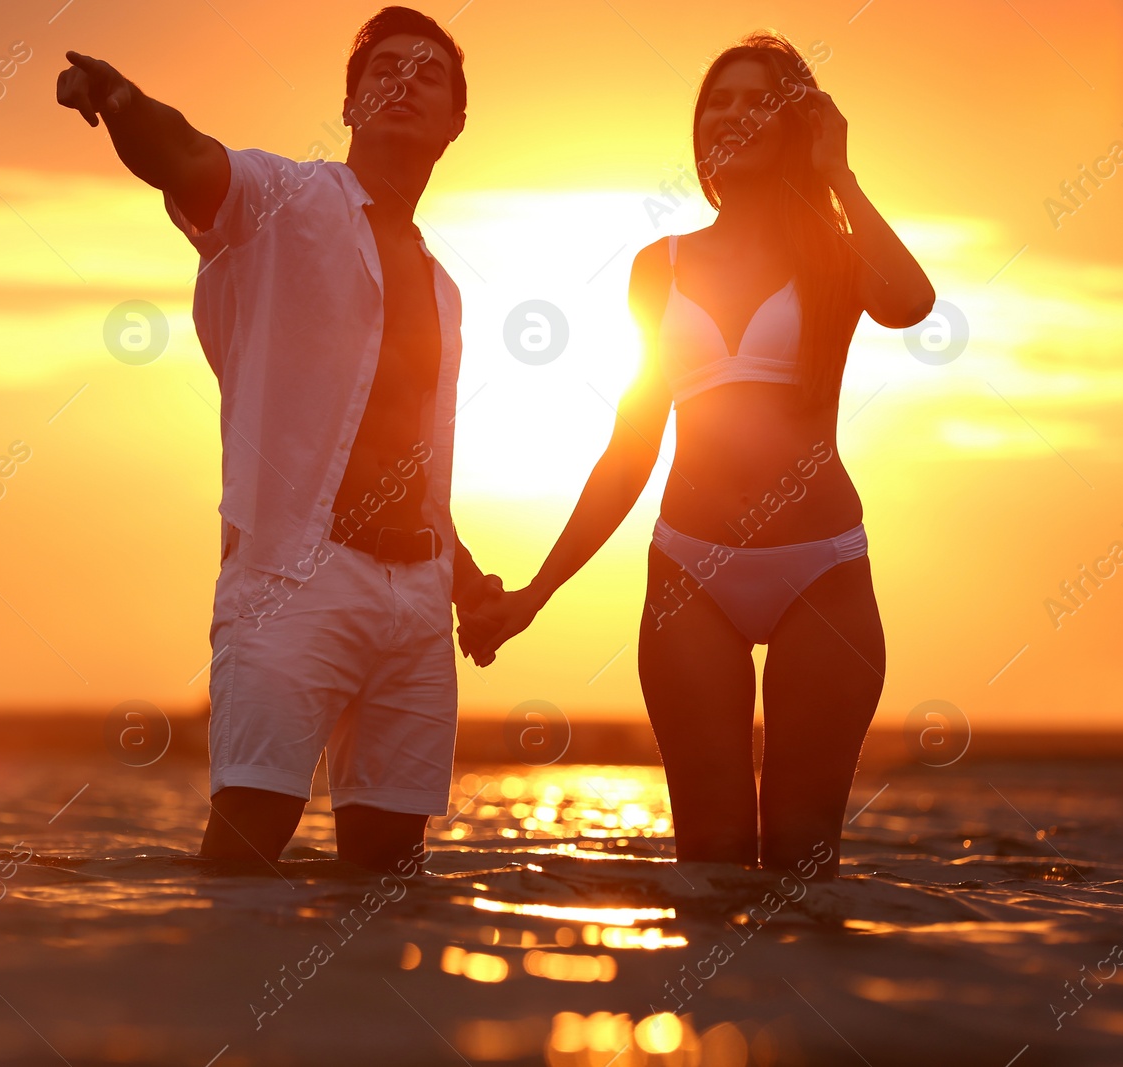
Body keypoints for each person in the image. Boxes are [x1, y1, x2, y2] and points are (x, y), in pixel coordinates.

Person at [458, 32, 934, 877]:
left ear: (798, 124)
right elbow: (632, 443)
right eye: (719, 100)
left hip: (822, 571)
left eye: (759, 100)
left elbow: (910, 301)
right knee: (709, 863)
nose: (734, 113)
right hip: (690, 574)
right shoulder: (658, 265)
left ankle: (808, 1010)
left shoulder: (833, 250)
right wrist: (537, 588)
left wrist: (839, 173)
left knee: (800, 863)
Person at [57, 7, 500, 872]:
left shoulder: (445, 289)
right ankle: (216, 1007)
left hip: (416, 604)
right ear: (347, 107)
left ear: (456, 124)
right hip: (293, 582)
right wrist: (118, 98)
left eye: (428, 73)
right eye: (383, 70)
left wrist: (463, 574)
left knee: (386, 884)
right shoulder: (282, 201)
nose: (403, 80)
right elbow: (184, 156)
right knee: (244, 851)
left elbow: (406, 460)